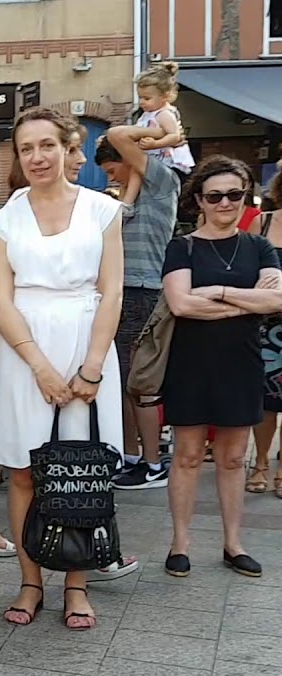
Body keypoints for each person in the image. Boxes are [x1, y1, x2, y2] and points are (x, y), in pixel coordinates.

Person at [0, 106, 125, 631]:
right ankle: (30, 580)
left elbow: (113, 292)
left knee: (80, 470)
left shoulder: (102, 211)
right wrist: (37, 364)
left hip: (87, 342)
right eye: (26, 148)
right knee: (23, 472)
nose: (36, 157)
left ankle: (77, 585)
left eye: (46, 145)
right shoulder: (3, 218)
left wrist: (91, 367)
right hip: (22, 351)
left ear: (67, 149)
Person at [160, 156, 282, 579]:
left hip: (242, 363)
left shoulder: (259, 246)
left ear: (246, 196)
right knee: (188, 456)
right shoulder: (183, 247)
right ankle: (180, 544)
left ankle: (234, 543)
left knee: (233, 460)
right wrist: (245, 301)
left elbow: (276, 301)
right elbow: (180, 304)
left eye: (235, 194)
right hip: (190, 365)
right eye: (216, 196)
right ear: (199, 201)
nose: (226, 202)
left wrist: (218, 292)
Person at [96, 121, 182, 492]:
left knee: (140, 382)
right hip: (124, 291)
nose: (111, 180)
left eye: (114, 171)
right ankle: (132, 457)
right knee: (123, 381)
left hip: (144, 290)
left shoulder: (161, 183)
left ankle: (151, 463)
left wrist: (159, 135)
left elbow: (117, 135)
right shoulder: (127, 198)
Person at [247, 170, 282, 497]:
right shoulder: (264, 222)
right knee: (266, 400)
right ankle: (260, 463)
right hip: (265, 326)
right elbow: (243, 268)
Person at [119, 61, 195, 210]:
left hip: (166, 158)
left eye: (147, 98)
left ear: (164, 96)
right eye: (140, 97)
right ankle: (128, 202)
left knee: (137, 169)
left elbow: (175, 137)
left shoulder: (164, 114)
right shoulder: (148, 114)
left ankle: (128, 202)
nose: (141, 102)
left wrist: (155, 144)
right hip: (153, 156)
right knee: (135, 169)